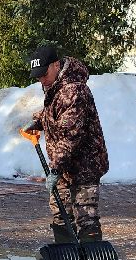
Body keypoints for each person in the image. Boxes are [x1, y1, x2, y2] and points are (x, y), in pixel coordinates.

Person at [25, 44, 109, 242]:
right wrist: (40, 121)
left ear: (56, 65)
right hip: (64, 166)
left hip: (85, 165)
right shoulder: (55, 85)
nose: (41, 80)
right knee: (61, 215)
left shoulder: (74, 90)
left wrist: (55, 169)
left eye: (44, 74)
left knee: (86, 217)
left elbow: (70, 134)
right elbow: (58, 114)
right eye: (38, 76)